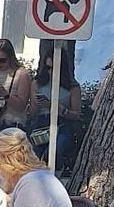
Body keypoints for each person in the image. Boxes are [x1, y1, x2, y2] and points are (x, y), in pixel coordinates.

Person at [31, 40, 81, 169]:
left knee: (53, 152)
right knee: (36, 157)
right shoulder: (37, 83)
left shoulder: (72, 87)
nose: (50, 72)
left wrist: (60, 109)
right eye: (48, 68)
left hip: (62, 124)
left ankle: (56, 176)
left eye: (54, 68)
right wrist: (36, 104)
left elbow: (76, 114)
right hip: (41, 125)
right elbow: (32, 113)